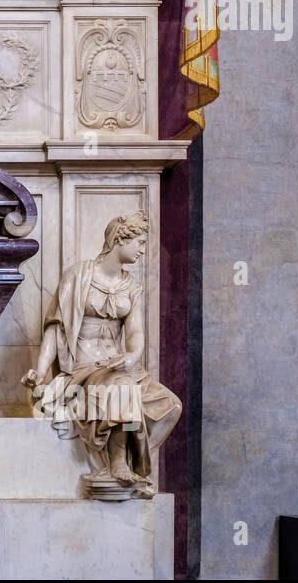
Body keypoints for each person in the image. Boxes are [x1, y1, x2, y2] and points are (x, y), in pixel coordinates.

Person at [22, 210, 181, 498]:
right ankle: (116, 463)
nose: (144, 251)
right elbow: (55, 329)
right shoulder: (78, 275)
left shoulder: (132, 288)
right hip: (82, 370)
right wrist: (41, 370)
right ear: (121, 239)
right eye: (141, 243)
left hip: (119, 366)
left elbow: (135, 336)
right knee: (120, 389)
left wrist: (131, 357)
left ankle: (133, 459)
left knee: (169, 405)